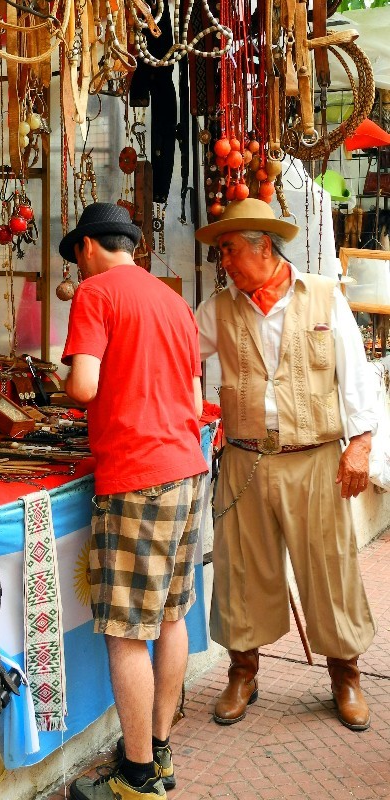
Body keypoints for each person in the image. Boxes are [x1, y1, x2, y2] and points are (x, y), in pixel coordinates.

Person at [194, 198, 377, 733]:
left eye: (229, 249)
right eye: (222, 251)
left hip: (316, 458)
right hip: (245, 460)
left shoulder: (322, 295)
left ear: (263, 246)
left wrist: (361, 442)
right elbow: (180, 350)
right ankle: (242, 672)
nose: (223, 260)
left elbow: (356, 373)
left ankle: (346, 676)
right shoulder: (220, 307)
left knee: (330, 566)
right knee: (241, 569)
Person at [60, 203, 208, 800]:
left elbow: (83, 387)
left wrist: (64, 379)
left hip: (136, 475)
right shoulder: (173, 300)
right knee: (171, 617)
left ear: (88, 248)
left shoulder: (95, 294)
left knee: (126, 631)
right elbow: (195, 398)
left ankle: (138, 776)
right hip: (186, 467)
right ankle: (160, 750)